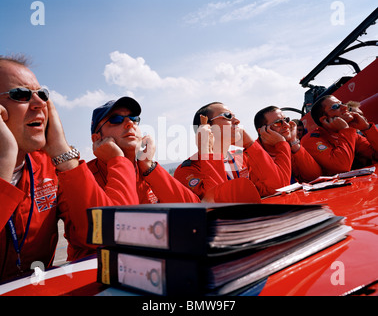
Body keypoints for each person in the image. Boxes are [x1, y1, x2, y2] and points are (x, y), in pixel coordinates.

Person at [0, 55, 110, 280]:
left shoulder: (48, 166)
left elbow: (101, 236)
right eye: (20, 94)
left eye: (42, 94)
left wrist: (63, 154)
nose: (39, 103)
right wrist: (5, 159)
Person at [64, 97, 201, 259]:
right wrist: (117, 159)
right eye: (116, 120)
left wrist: (150, 167)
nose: (129, 124)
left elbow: (194, 212)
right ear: (96, 139)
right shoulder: (81, 176)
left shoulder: (147, 169)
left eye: (134, 119)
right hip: (97, 270)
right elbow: (103, 237)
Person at [174, 102, 292, 201]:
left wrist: (251, 144)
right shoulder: (187, 171)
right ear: (206, 126)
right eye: (227, 116)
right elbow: (218, 204)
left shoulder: (240, 157)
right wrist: (208, 151)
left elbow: (277, 187)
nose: (237, 121)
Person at [301, 95, 378, 175]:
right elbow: (342, 167)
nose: (345, 107)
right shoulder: (311, 140)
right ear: (325, 119)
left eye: (342, 103)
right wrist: (345, 130)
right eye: (335, 106)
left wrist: (367, 128)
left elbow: (375, 154)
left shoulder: (350, 134)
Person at [254, 106, 322, 183]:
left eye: (286, 120)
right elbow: (280, 184)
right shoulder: (253, 155)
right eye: (278, 123)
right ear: (263, 131)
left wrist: (294, 142)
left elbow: (315, 176)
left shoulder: (290, 145)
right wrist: (281, 144)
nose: (286, 125)